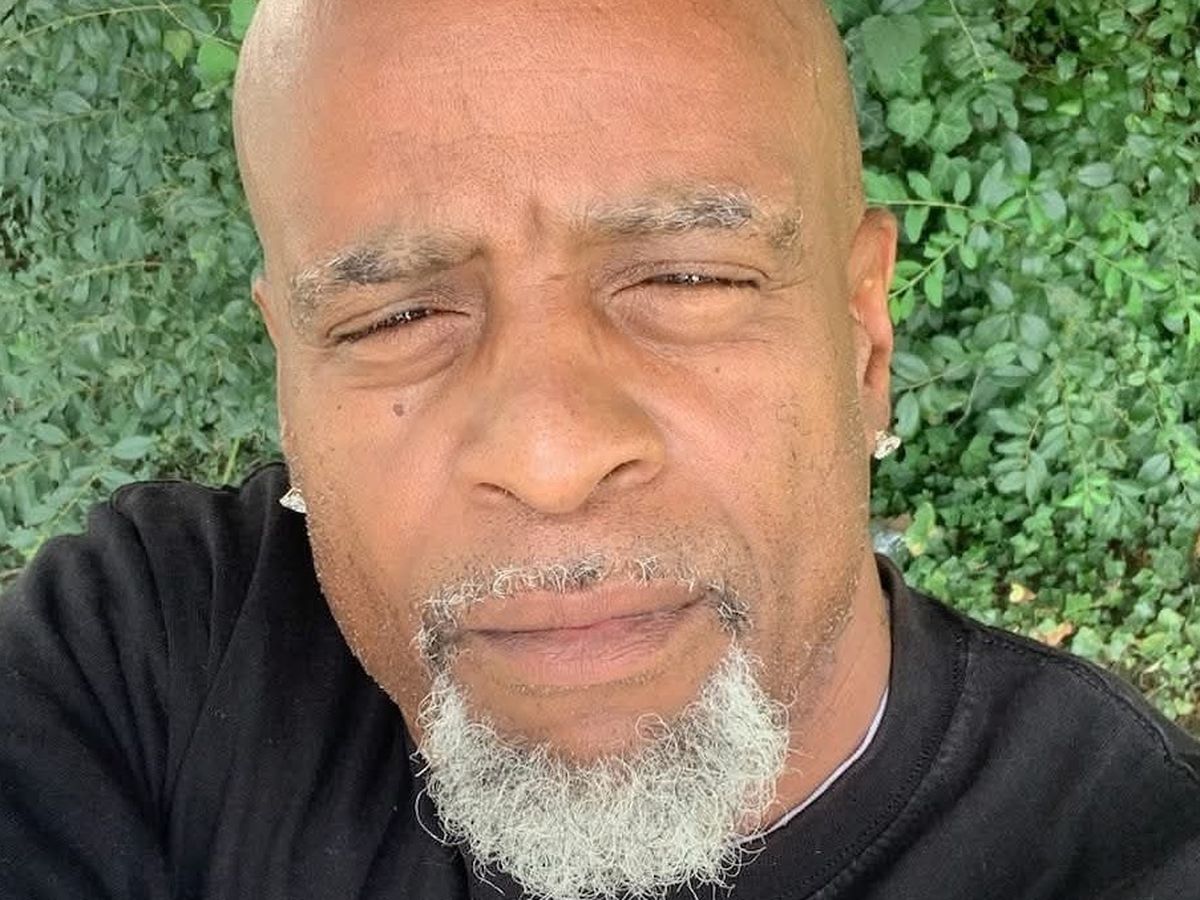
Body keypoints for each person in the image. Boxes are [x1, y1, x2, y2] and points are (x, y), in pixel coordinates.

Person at [1, 0, 1197, 897]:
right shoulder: (150, 663)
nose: (551, 458)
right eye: (395, 319)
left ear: (864, 337)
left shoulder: (1128, 850)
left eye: (687, 280)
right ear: (289, 378)